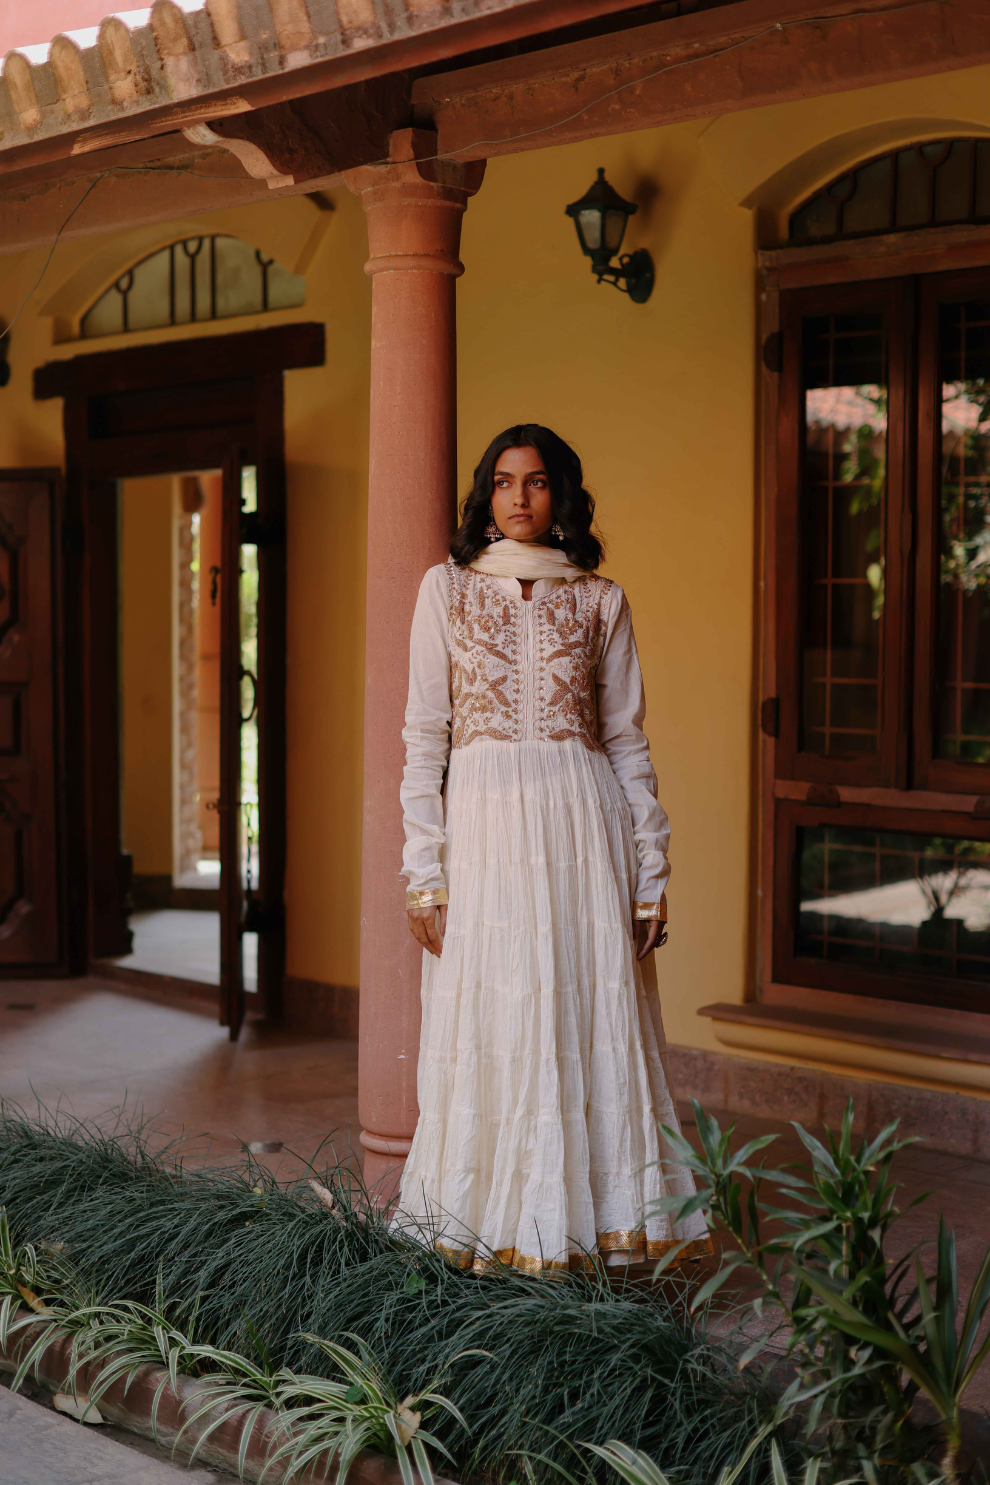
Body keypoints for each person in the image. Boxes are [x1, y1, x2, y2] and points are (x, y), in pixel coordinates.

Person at [395, 424, 710, 1274]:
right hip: (488, 834)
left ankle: (589, 1232)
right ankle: (487, 1224)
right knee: (496, 1016)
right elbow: (425, 735)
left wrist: (651, 872)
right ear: (484, 494)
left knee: (580, 1013)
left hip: (582, 828)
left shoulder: (600, 598)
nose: (519, 497)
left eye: (536, 482)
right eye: (503, 482)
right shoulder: (447, 590)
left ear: (563, 495)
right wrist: (423, 872)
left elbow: (626, 739)